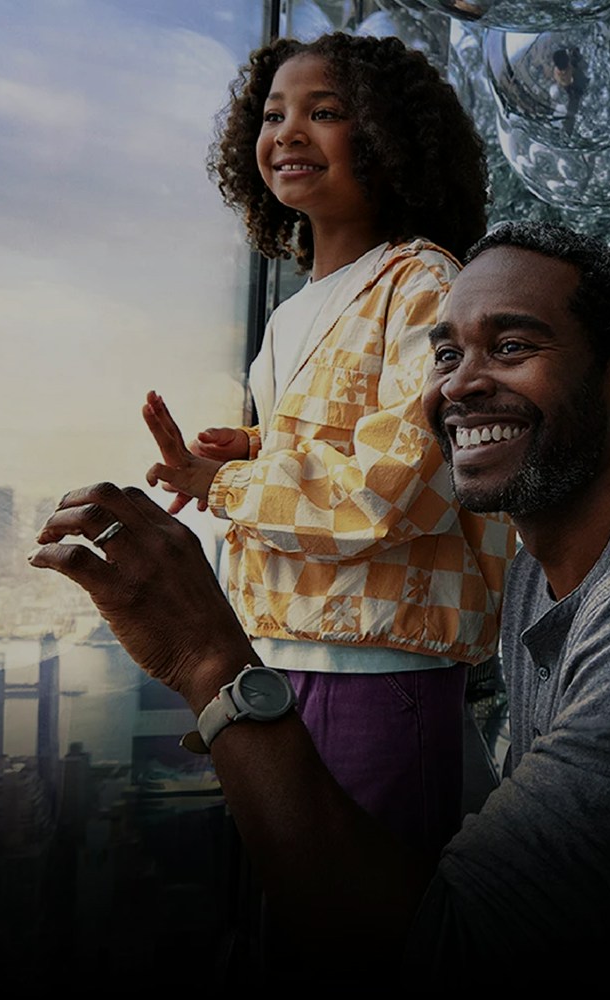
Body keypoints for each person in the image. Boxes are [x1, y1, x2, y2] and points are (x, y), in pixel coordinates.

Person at [32, 222, 610, 986]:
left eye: (512, 347)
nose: (459, 385)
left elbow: (445, 958)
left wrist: (208, 660)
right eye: (445, 353)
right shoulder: (541, 564)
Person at [138, 32, 513, 857]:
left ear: (388, 138)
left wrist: (223, 485)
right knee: (302, 921)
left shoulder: (427, 286)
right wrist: (251, 445)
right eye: (274, 114)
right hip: (279, 657)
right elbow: (344, 436)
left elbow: (392, 488)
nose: (289, 132)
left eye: (326, 112)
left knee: (369, 930)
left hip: (379, 669)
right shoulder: (290, 313)